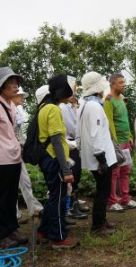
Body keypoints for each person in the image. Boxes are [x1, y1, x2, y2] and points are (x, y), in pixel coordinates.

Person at [37, 74, 79, 249]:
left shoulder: (44, 107)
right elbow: (56, 140)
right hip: (54, 159)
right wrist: (66, 170)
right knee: (60, 199)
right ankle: (58, 237)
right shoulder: (53, 109)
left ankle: (44, 230)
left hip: (47, 158)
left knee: (55, 196)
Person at [77, 71, 117, 235]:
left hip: (96, 155)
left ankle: (102, 221)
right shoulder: (93, 106)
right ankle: (97, 226)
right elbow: (95, 134)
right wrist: (101, 158)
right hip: (100, 157)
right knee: (103, 191)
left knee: (103, 189)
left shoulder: (87, 104)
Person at [0, 67, 28, 249]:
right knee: (1, 198)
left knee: (11, 197)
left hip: (13, 157)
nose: (15, 86)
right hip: (2, 158)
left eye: (16, 82)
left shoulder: (10, 104)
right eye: (10, 82)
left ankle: (11, 229)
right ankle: (2, 235)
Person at [104, 72, 136, 212]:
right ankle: (113, 201)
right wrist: (114, 140)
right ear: (112, 84)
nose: (123, 85)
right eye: (120, 82)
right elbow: (109, 121)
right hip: (116, 142)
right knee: (114, 173)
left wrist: (130, 135)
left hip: (126, 141)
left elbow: (125, 119)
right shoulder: (108, 100)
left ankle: (126, 198)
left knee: (126, 171)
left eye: (124, 82)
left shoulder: (122, 99)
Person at [12, 87, 43, 221]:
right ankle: (15, 214)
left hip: (17, 150)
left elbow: (20, 133)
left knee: (24, 180)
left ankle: (33, 207)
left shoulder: (18, 111)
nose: (23, 99)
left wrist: (24, 145)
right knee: (10, 184)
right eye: (20, 96)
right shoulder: (6, 109)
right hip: (6, 152)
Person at [59, 76, 89, 219]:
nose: (75, 91)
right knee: (72, 177)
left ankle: (73, 205)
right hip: (69, 145)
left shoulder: (70, 106)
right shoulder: (63, 107)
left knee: (75, 177)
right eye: (73, 87)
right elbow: (72, 127)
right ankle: (70, 207)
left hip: (74, 144)